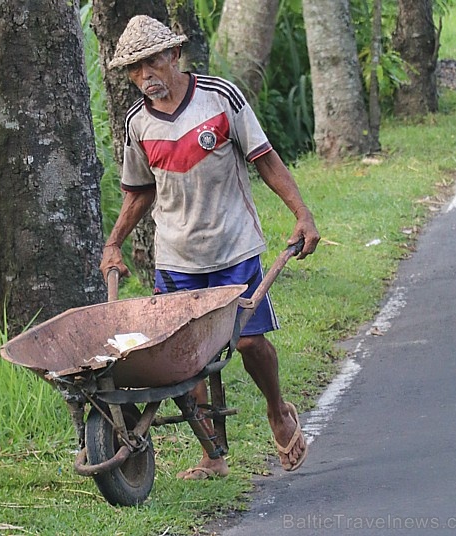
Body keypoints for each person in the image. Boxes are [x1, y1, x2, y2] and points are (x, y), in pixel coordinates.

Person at [100, 15, 320, 480]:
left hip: (233, 248)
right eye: (135, 70)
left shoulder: (220, 98)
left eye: (152, 63)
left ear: (174, 55)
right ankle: (213, 455)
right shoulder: (138, 123)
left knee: (248, 341)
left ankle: (278, 410)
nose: (146, 77)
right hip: (177, 259)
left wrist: (302, 215)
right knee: (183, 361)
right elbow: (139, 191)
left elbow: (265, 159)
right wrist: (114, 242)